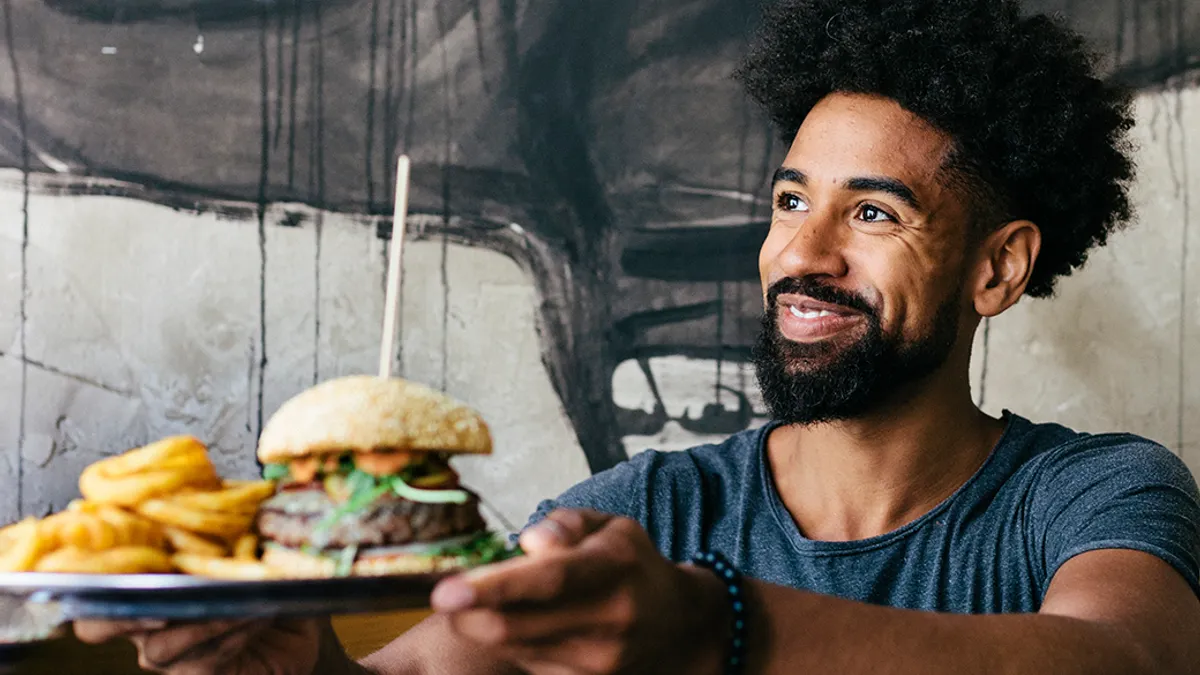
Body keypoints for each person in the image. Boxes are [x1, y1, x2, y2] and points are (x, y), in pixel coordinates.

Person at [76, 0, 1200, 672]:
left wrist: (718, 630)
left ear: (998, 266)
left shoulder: (1091, 494)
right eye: (787, 202)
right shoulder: (638, 516)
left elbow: (1124, 659)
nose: (803, 255)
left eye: (871, 213)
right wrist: (303, 667)